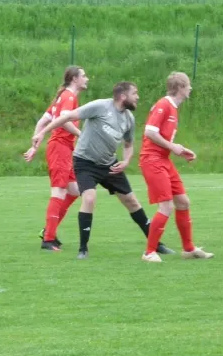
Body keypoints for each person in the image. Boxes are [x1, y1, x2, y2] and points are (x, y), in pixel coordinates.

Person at [32, 81, 174, 258]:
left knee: (132, 201)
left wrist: (126, 160)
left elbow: (129, 144)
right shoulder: (100, 106)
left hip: (109, 165)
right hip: (85, 162)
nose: (137, 97)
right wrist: (42, 132)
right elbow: (67, 117)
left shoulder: (129, 118)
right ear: (123, 96)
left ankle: (155, 244)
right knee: (89, 198)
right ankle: (83, 249)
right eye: (134, 93)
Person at [139, 71, 214, 263]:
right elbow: (150, 131)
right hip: (152, 160)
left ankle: (189, 249)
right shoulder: (164, 105)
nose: (190, 88)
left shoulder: (173, 108)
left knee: (183, 202)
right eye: (188, 85)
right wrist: (174, 147)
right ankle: (149, 252)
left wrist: (180, 150)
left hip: (163, 160)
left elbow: (163, 138)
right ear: (180, 88)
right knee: (166, 206)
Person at [23, 65, 86, 250]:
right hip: (59, 148)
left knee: (74, 190)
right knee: (59, 191)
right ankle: (48, 239)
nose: (87, 79)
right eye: (84, 76)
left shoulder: (61, 97)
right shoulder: (68, 96)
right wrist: (82, 135)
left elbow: (43, 121)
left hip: (64, 149)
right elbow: (64, 122)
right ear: (74, 79)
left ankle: (49, 230)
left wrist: (34, 146)